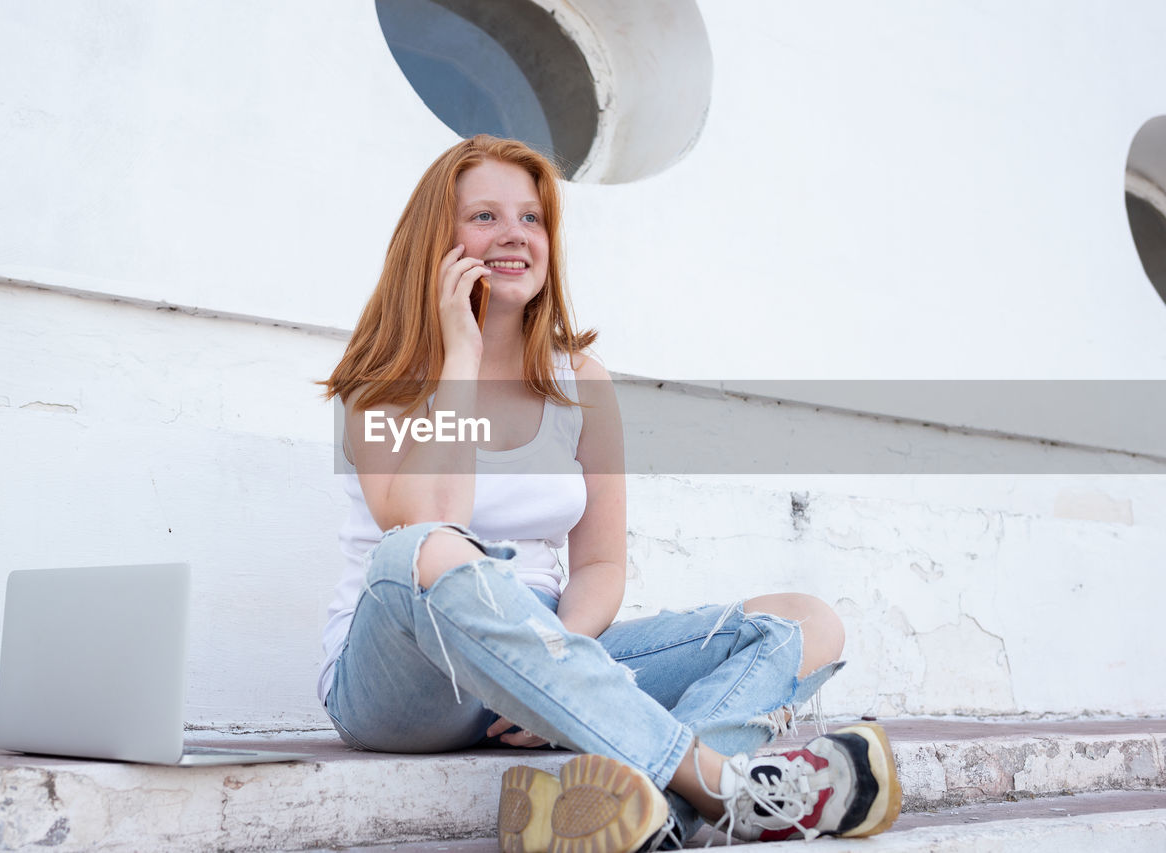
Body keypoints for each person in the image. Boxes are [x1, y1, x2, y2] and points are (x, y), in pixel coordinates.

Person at [319, 134, 901, 851]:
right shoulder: (378, 377)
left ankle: (634, 809)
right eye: (484, 217)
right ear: (435, 238)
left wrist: (548, 677)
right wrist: (461, 356)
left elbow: (599, 566)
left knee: (807, 622)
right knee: (427, 549)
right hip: (407, 671)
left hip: (551, 638)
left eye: (531, 219)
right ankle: (721, 782)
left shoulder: (581, 382)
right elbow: (430, 524)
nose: (513, 235)